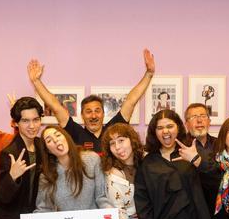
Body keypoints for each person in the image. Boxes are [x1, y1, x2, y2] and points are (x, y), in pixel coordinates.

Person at [27, 49, 155, 152]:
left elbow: (131, 101)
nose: (93, 115)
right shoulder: (75, 132)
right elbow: (55, 106)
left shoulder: (112, 130)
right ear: (82, 115)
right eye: (88, 111)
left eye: (97, 111)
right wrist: (36, 82)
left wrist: (148, 74)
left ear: (103, 114)